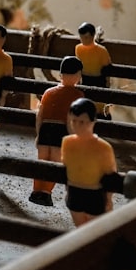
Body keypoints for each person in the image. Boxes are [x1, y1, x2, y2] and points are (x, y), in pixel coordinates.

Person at [30, 56, 85, 207]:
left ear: (60, 74)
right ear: (77, 75)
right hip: (61, 131)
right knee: (55, 163)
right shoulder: (78, 95)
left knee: (42, 161)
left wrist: (38, 133)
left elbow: (39, 115)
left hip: (46, 128)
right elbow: (72, 120)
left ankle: (36, 191)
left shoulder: (48, 92)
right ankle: (46, 193)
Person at [60, 98, 117, 227]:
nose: (77, 125)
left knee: (95, 230)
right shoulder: (67, 143)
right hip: (74, 192)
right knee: (80, 228)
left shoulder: (103, 148)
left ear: (92, 122)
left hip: (94, 194)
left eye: (82, 122)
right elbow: (67, 169)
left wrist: (108, 199)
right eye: (74, 121)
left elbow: (111, 176)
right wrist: (68, 191)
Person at [75, 22, 112, 119]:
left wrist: (107, 84)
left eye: (86, 37)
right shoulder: (78, 49)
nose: (83, 40)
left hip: (99, 80)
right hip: (85, 80)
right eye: (81, 37)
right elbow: (78, 65)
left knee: (100, 106)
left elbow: (107, 70)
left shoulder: (101, 51)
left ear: (92, 36)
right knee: (86, 106)